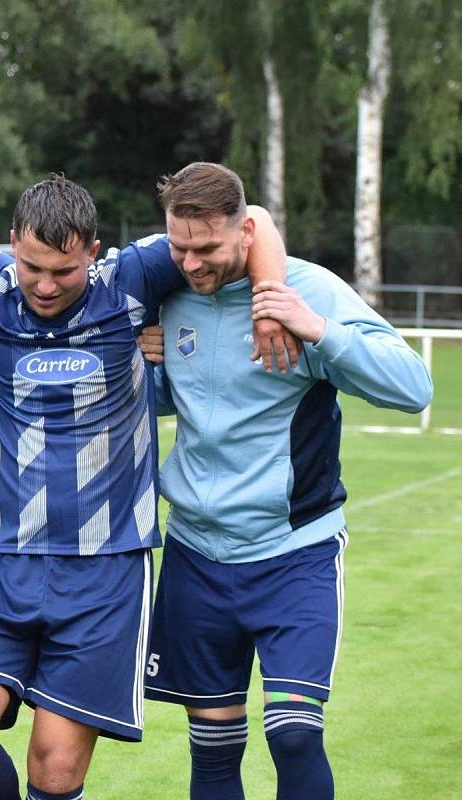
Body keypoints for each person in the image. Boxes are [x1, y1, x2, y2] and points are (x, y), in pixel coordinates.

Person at [0, 172, 290, 800]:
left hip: (105, 571)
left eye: (64, 270)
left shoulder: (129, 280)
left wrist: (269, 298)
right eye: (32, 267)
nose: (46, 285)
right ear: (12, 245)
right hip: (3, 560)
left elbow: (256, 219)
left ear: (94, 253)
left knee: (54, 771)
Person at [143, 162, 434, 800]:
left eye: (207, 247)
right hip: (196, 553)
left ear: (247, 232)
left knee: (295, 733)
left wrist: (319, 331)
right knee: (212, 747)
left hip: (293, 551)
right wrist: (145, 365)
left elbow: (414, 388)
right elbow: (184, 399)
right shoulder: (166, 290)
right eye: (179, 246)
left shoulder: (309, 289)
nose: (191, 263)